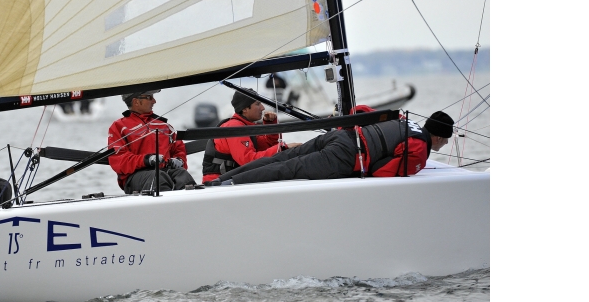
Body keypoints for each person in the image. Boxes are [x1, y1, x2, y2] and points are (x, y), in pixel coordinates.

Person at [210, 109, 455, 185]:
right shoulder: (420, 149)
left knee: (282, 159)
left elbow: (361, 112)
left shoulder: (403, 118)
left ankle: (220, 180)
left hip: (340, 137)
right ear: (439, 137)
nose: (444, 144)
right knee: (287, 168)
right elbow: (382, 172)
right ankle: (227, 185)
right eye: (445, 140)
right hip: (344, 156)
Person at [107, 90, 196, 193]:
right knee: (158, 178)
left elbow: (178, 148)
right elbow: (119, 161)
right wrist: (146, 160)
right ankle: (165, 206)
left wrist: (179, 160)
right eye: (149, 97)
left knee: (183, 175)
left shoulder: (164, 126)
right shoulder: (119, 126)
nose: (154, 101)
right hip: (135, 176)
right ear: (136, 102)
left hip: (164, 170)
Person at [202, 91, 301, 183]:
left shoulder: (244, 126)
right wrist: (283, 147)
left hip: (230, 180)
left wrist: (270, 124)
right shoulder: (235, 127)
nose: (263, 108)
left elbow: (268, 146)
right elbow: (248, 161)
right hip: (217, 184)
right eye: (258, 104)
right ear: (245, 109)